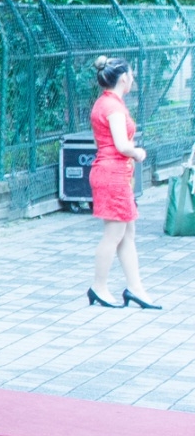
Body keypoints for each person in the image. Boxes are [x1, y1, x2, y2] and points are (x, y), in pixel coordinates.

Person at [88, 55, 162, 310]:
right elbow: (121, 145)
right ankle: (99, 287)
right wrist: (137, 152)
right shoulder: (114, 108)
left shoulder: (103, 103)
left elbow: (101, 142)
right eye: (131, 75)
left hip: (111, 173)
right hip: (114, 175)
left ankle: (135, 288)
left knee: (126, 233)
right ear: (123, 78)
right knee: (114, 235)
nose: (133, 79)